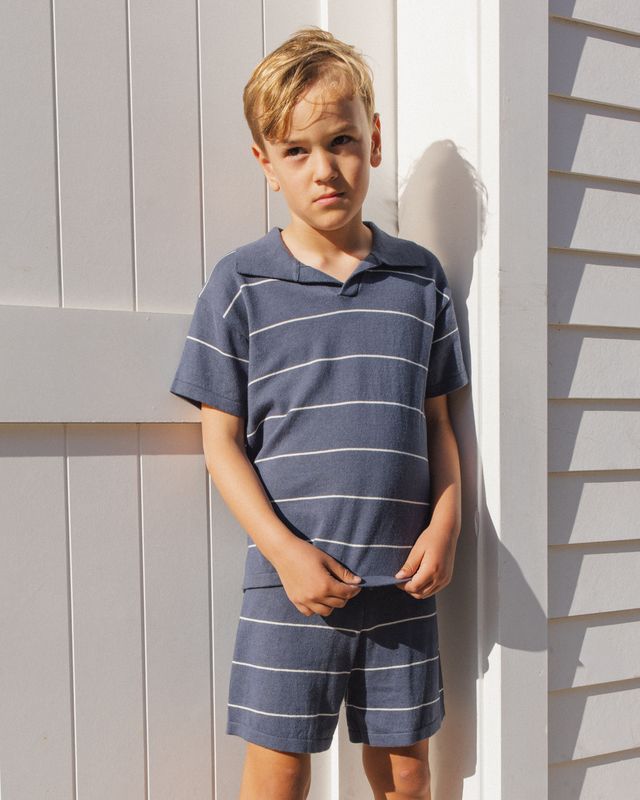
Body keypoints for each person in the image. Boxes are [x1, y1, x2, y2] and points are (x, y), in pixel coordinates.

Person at [169, 25, 469, 800]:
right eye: (296, 151)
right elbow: (221, 442)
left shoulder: (418, 280)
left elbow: (437, 423)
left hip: (402, 584)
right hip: (290, 585)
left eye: (340, 141)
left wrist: (446, 523)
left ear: (372, 139)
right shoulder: (241, 284)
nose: (324, 168)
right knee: (277, 772)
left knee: (406, 771)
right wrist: (285, 554)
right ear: (265, 164)